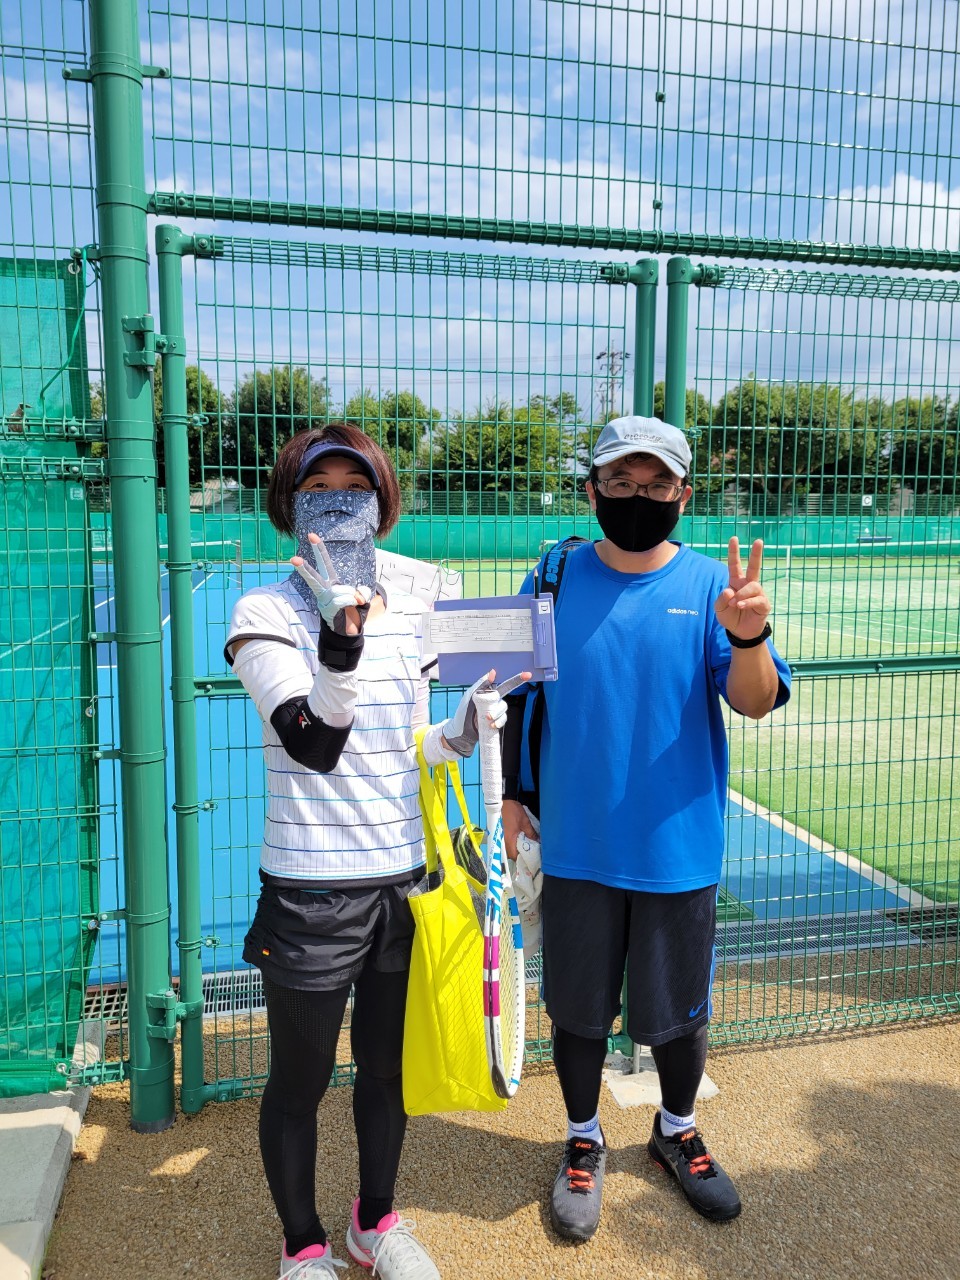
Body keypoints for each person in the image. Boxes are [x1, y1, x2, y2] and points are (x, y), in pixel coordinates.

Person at [225, 423, 509, 1280]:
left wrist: (461, 731)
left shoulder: (414, 605)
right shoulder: (264, 612)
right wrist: (340, 643)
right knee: (301, 1082)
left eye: (356, 487)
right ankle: (303, 1245)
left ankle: (373, 1223)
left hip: (402, 885)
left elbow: (406, 746)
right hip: (310, 891)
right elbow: (312, 742)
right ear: (289, 508)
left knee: (385, 1072)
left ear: (382, 503)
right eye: (318, 490)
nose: (338, 503)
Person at [500, 415, 792, 1242]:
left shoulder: (710, 587)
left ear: (683, 495)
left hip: (677, 845)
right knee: (577, 1012)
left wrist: (750, 634)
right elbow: (514, 689)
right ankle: (582, 1138)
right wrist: (514, 796)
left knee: (680, 1014)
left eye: (657, 484)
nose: (638, 497)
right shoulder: (553, 576)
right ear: (592, 490)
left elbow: (755, 700)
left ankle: (675, 1130)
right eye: (621, 482)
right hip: (577, 843)